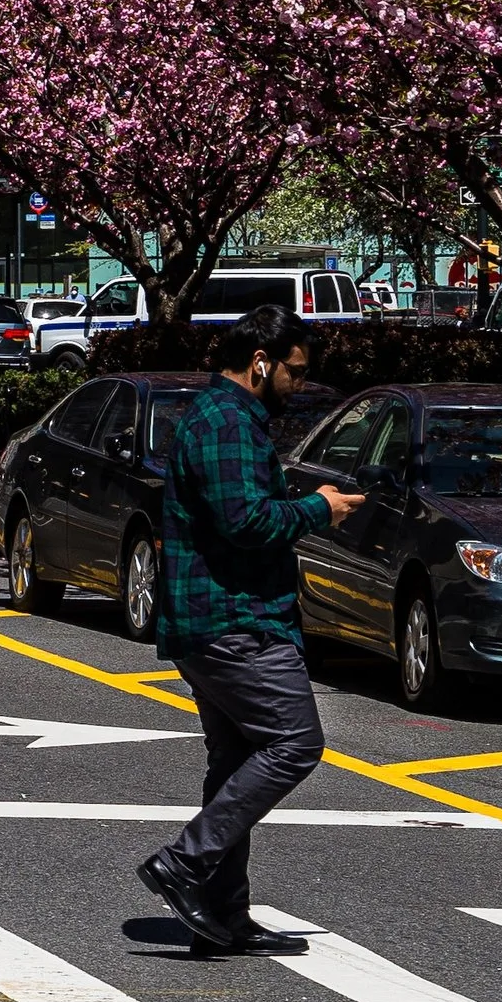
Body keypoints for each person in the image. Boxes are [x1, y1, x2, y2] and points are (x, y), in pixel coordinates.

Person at [137, 307, 363, 952]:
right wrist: (319, 509)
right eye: (293, 371)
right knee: (294, 743)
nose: (298, 383)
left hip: (221, 617)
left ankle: (219, 911)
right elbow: (247, 521)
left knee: (235, 758)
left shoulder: (227, 419)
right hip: (235, 619)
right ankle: (185, 862)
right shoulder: (227, 422)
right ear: (260, 361)